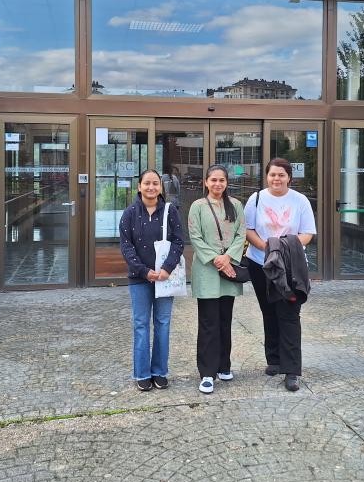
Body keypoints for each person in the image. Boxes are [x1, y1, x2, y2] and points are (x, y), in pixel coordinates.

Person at [244, 158, 316, 392]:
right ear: (267, 176)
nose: (277, 179)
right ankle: (273, 359)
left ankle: (292, 370)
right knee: (269, 310)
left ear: (289, 178)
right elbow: (249, 230)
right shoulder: (256, 199)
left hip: (292, 266)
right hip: (260, 263)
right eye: (273, 175)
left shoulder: (300, 200)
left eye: (281, 175)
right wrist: (269, 249)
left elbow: (307, 233)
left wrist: (283, 248)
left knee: (289, 314)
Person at [119, 168, 185, 392]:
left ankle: (160, 371)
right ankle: (142, 373)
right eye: (146, 183)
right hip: (139, 278)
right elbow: (126, 247)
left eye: (155, 183)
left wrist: (167, 268)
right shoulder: (129, 213)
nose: (151, 187)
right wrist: (143, 271)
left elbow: (178, 241)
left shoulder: (170, 211)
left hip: (165, 278)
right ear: (139, 186)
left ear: (160, 187)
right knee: (140, 325)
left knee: (163, 324)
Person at [187, 164, 246, 395]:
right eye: (213, 180)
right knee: (208, 323)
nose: (217, 184)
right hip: (207, 270)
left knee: (225, 320)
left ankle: (224, 365)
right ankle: (207, 373)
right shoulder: (197, 207)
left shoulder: (236, 206)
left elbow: (242, 233)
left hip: (229, 268)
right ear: (205, 182)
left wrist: (229, 257)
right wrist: (217, 260)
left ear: (226, 182)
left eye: (221, 180)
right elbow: (195, 236)